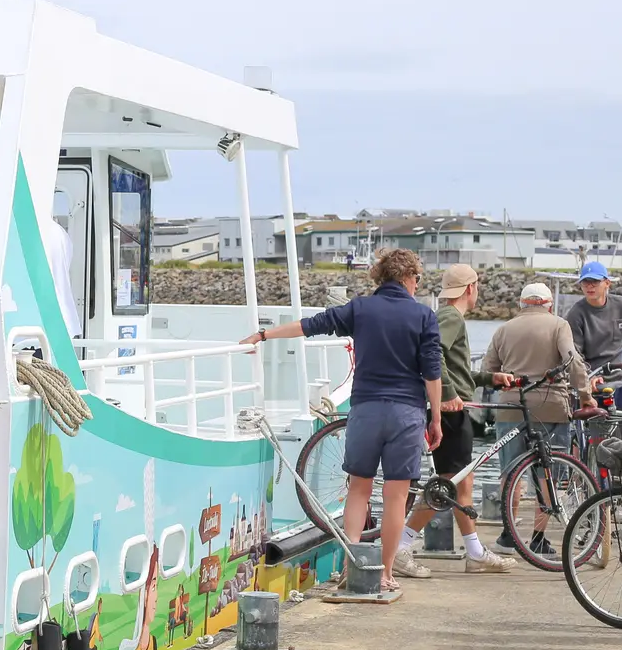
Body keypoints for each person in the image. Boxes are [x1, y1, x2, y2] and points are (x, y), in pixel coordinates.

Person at [242, 248, 441, 590]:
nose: (417, 285)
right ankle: (387, 572)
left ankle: (353, 568)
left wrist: (263, 335)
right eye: (418, 278)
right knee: (396, 495)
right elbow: (432, 371)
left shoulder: (360, 308)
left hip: (365, 410)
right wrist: (435, 417)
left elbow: (310, 326)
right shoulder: (423, 316)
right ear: (408, 278)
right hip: (406, 413)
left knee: (359, 489)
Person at [395, 265, 518, 578]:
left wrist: (491, 377)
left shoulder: (446, 316)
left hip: (452, 409)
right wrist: (447, 394)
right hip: (450, 413)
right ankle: (401, 546)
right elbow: (433, 355)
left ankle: (475, 552)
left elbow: (456, 368)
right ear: (470, 288)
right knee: (448, 486)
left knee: (461, 483)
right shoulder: (451, 317)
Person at [480, 282, 597, 554]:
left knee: (511, 472)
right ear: (549, 304)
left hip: (511, 406)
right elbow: (573, 360)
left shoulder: (503, 329)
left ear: (521, 304)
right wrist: (585, 395)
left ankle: (508, 536)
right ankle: (538, 538)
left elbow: (488, 370)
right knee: (548, 473)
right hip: (551, 408)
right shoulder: (559, 325)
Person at [565, 260, 622, 403]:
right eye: (585, 282)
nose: (589, 286)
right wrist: (588, 377)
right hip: (593, 381)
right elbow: (575, 353)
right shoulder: (576, 314)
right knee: (596, 424)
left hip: (620, 378)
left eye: (594, 281)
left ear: (607, 283)